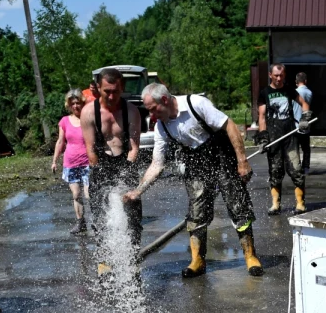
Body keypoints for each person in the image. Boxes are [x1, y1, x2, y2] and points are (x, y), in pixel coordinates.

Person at [124, 83, 262, 278]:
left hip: (222, 157)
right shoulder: (162, 127)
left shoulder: (195, 104)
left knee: (238, 207)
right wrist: (139, 190)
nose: (152, 116)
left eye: (152, 109)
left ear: (164, 100)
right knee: (196, 214)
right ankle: (198, 260)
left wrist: (242, 161)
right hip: (196, 164)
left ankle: (250, 255)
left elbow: (229, 125)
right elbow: (157, 163)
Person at [81, 67, 142, 248]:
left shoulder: (131, 111)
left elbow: (134, 147)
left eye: (115, 91)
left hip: (126, 164)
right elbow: (90, 148)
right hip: (100, 165)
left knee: (133, 220)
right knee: (101, 221)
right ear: (98, 88)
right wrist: (101, 173)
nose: (111, 96)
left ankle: (133, 264)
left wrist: (126, 172)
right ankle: (104, 266)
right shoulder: (89, 112)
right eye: (107, 91)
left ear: (122, 88)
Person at [256, 63, 309, 215]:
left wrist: (305, 118)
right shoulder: (264, 93)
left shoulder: (289, 91)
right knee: (275, 171)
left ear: (284, 76)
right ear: (270, 75)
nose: (279, 78)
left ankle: (300, 204)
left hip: (290, 137)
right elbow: (261, 118)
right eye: (276, 75)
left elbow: (304, 104)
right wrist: (263, 139)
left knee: (296, 170)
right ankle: (275, 204)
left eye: (282, 76)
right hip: (274, 138)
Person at [51, 89, 90, 235]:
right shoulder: (65, 121)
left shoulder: (88, 118)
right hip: (71, 162)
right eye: (72, 103)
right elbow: (60, 142)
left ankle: (99, 221)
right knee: (76, 194)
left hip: (87, 162)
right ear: (69, 105)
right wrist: (54, 161)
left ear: (82, 103)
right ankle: (81, 223)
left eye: (77, 103)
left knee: (88, 194)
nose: (75, 106)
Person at [294, 72, 313, 174]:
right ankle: (306, 168)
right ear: (305, 81)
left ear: (296, 82)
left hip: (295, 125)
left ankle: (297, 167)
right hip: (306, 123)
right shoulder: (309, 92)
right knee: (306, 148)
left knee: (295, 148)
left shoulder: (294, 92)